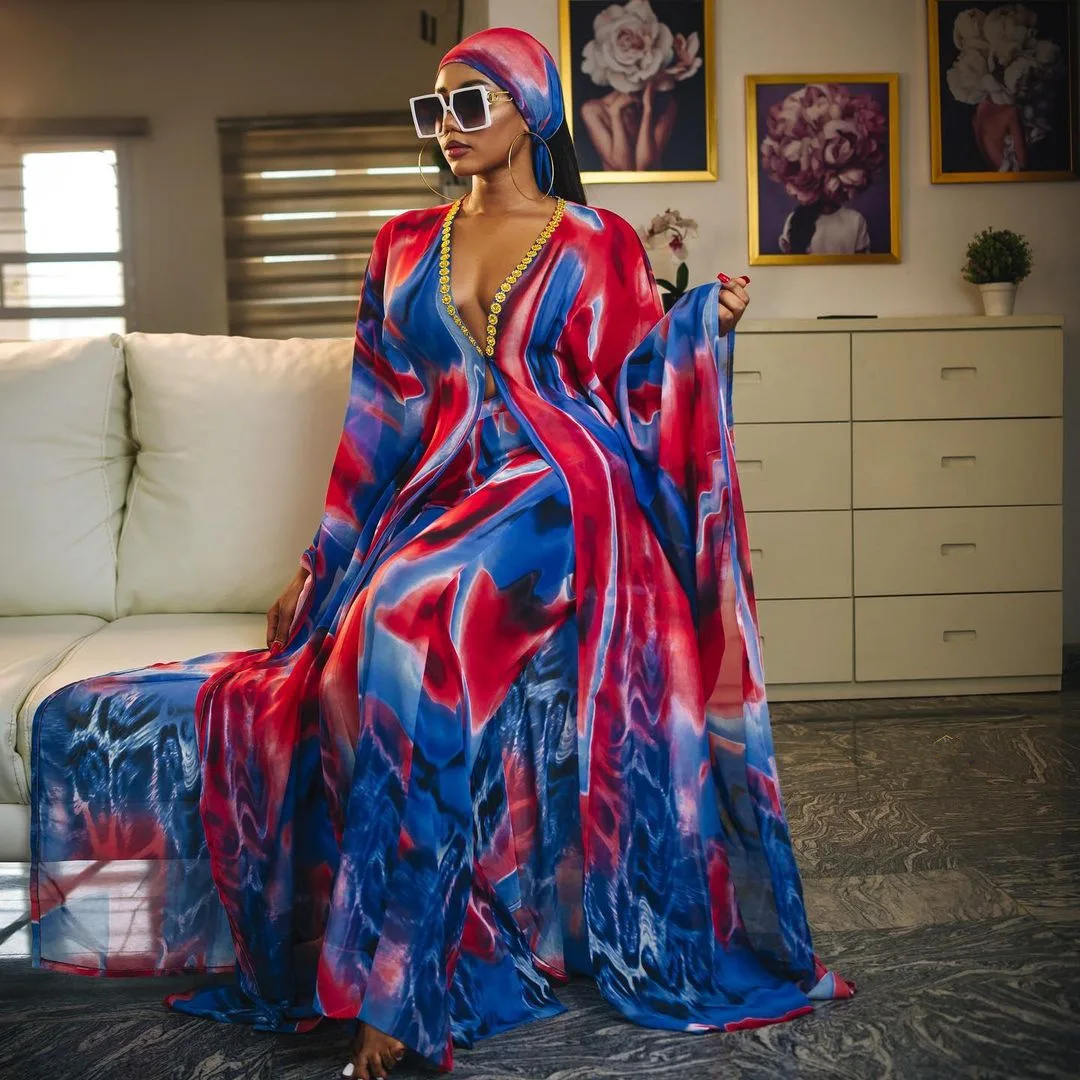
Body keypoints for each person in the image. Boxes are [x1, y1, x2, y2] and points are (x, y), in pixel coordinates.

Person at [29, 26, 856, 1080]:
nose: (447, 127)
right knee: (349, 639)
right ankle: (405, 950)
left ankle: (397, 983)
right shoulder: (403, 242)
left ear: (534, 113)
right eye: (435, 109)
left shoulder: (595, 240)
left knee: (411, 620)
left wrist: (704, 324)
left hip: (563, 486)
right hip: (442, 493)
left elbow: (637, 383)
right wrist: (319, 563)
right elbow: (375, 423)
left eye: (471, 105)